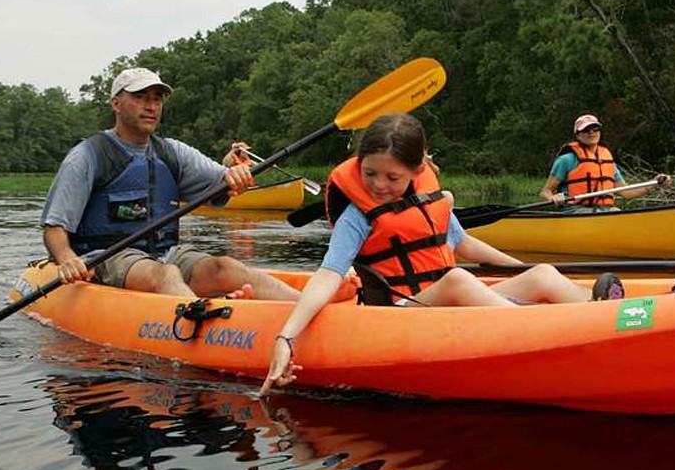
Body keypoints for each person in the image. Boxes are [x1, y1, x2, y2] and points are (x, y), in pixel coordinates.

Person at [257, 112, 623, 397]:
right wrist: (285, 337)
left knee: (541, 273)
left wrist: (519, 269)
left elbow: (464, 245)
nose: (379, 185)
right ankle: (557, 338)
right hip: (399, 312)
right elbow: (329, 274)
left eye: (392, 177)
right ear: (358, 165)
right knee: (459, 279)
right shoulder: (357, 216)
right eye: (370, 173)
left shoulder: (426, 198)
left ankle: (605, 319)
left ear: (417, 171)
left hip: (445, 298)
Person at [40, 67, 300, 302]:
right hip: (107, 257)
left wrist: (234, 176)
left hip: (166, 253)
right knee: (165, 274)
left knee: (226, 267)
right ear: (116, 103)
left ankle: (308, 308)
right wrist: (67, 259)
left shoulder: (172, 152)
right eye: (141, 97)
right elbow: (54, 225)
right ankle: (203, 321)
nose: (151, 106)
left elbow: (222, 178)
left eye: (156, 99)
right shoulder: (88, 155)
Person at [538, 114, 670, 211]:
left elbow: (627, 192)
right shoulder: (567, 160)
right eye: (586, 130)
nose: (591, 132)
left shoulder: (607, 161)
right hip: (576, 210)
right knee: (592, 214)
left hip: (605, 210)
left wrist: (653, 184)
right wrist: (554, 198)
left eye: (595, 128)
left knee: (616, 212)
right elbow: (546, 191)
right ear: (577, 135)